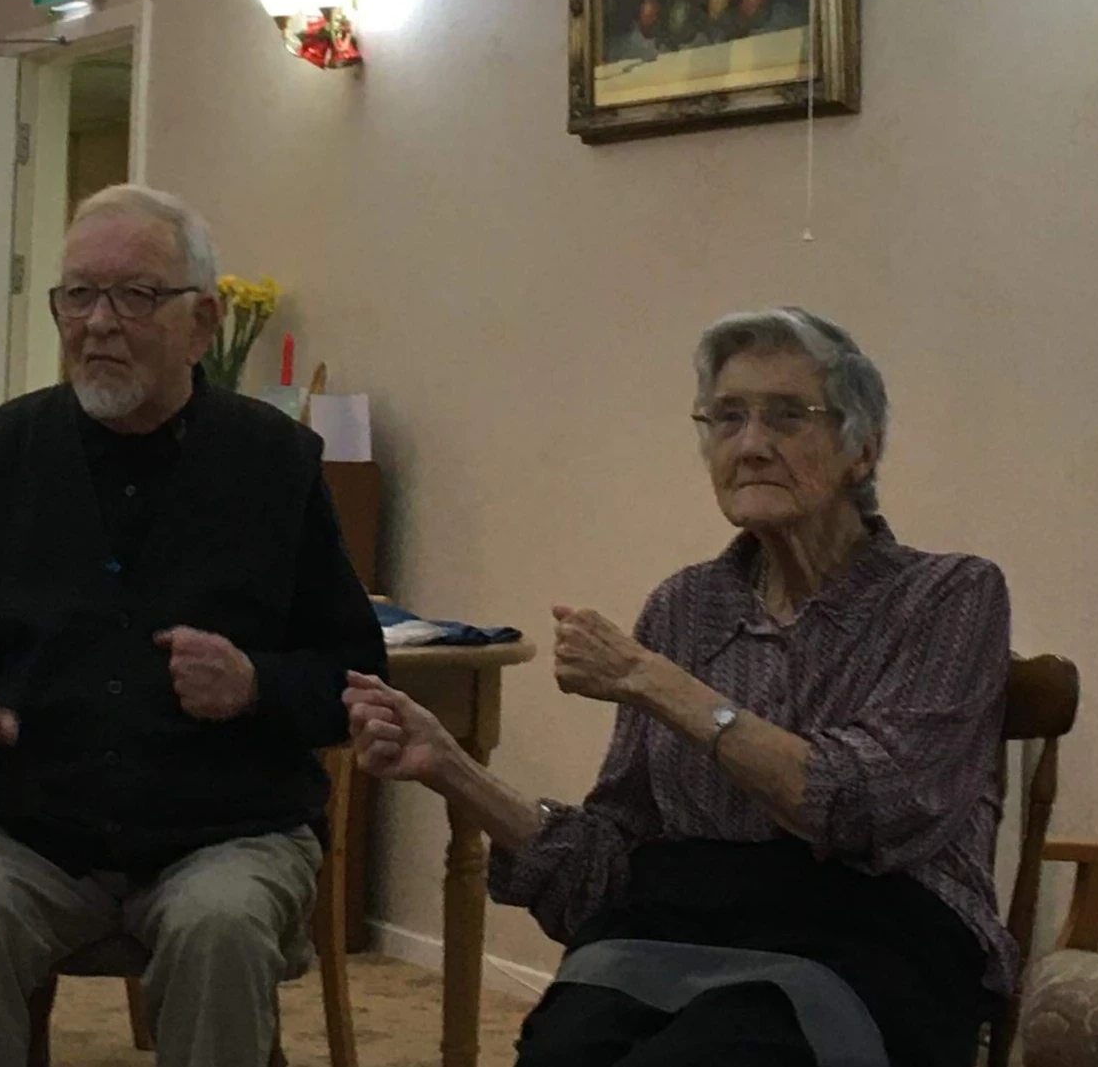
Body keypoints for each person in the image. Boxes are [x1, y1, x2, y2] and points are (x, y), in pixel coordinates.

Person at [345, 307, 1014, 1067]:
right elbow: (607, 865)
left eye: (788, 416)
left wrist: (657, 682)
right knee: (564, 1047)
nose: (752, 444)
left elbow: (869, 805)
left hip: (874, 939)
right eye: (727, 417)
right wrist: (449, 766)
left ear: (864, 448)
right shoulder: (686, 606)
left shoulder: (946, 595)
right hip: (676, 927)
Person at [0, 184, 387, 1067]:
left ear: (202, 321)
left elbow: (353, 674)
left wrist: (257, 685)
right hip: (25, 831)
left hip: (225, 832)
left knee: (221, 929)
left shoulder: (275, 464)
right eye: (79, 295)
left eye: (135, 295)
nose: (100, 322)